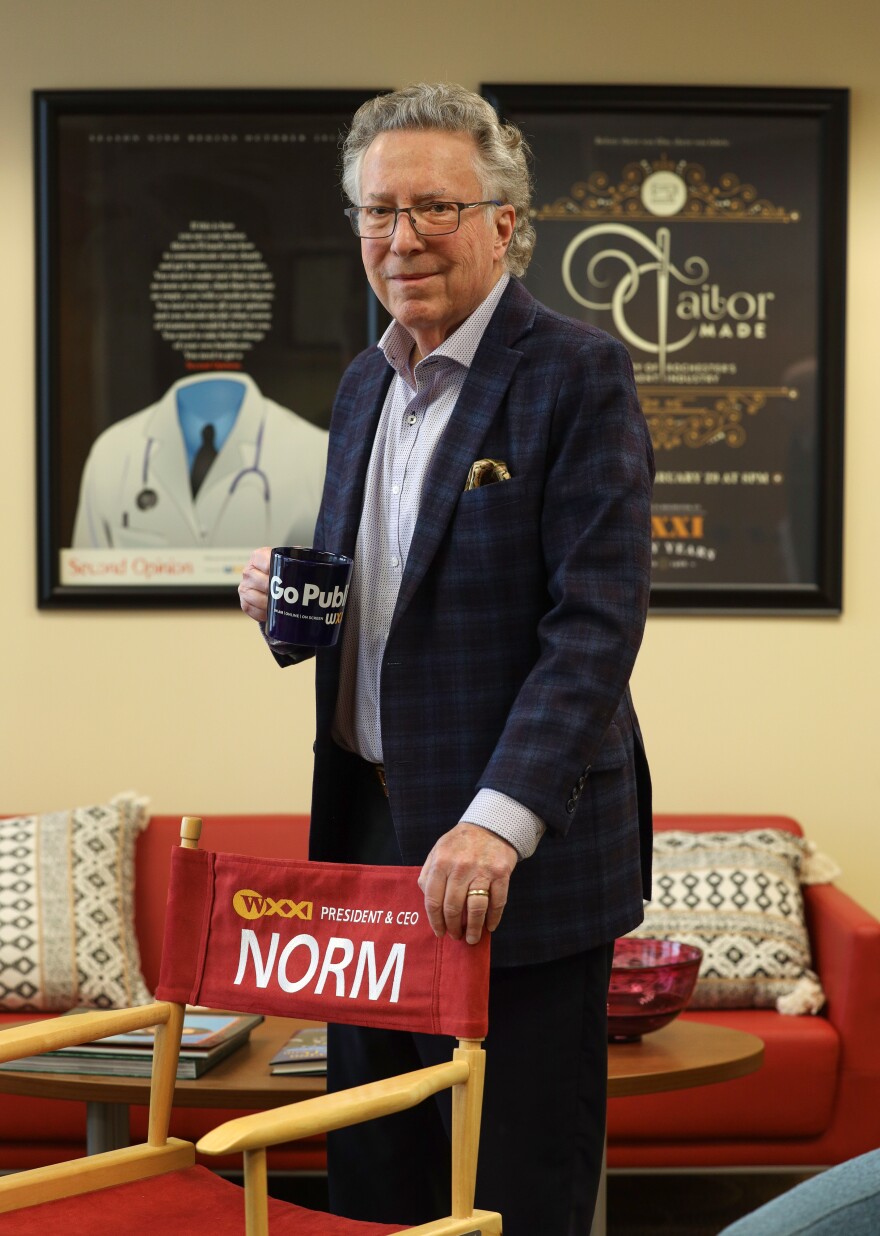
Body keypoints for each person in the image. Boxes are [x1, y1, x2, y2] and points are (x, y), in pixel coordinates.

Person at [239, 82, 654, 1236]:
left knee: (508, 1189)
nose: (401, 237)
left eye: (433, 206)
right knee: (376, 1176)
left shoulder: (576, 373)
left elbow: (595, 624)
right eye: (378, 211)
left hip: (505, 857)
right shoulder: (366, 378)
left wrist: (496, 818)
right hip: (368, 842)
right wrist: (288, 605)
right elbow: (369, 604)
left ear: (504, 223)